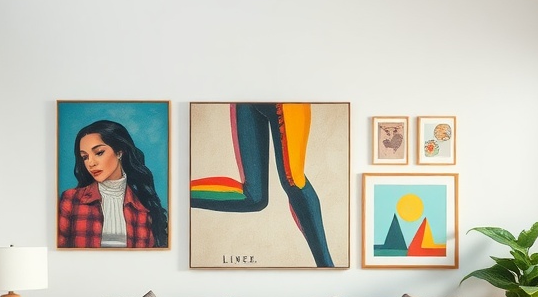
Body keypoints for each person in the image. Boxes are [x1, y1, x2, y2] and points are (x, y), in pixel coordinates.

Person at [191, 102, 333, 267]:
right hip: (248, 96)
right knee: (264, 193)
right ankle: (327, 267)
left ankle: (326, 267)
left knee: (273, 190)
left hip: (282, 97)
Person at [58, 120, 168, 248]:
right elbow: (59, 253)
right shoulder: (71, 200)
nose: (91, 163)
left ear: (119, 152)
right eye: (85, 157)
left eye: (99, 153)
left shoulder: (143, 206)